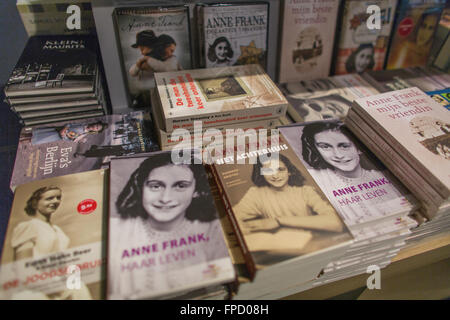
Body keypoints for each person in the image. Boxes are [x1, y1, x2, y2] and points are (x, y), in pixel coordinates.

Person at [108, 153, 230, 299]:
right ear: (141, 187)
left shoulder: (213, 231)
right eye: (155, 186)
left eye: (180, 186)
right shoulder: (117, 231)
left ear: (196, 191)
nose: (165, 198)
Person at [300, 121, 411, 226]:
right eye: (325, 147)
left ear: (359, 148)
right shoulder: (314, 178)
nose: (338, 155)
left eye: (344, 146)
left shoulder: (387, 178)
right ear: (316, 150)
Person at [233, 154, 344, 239]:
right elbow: (234, 219)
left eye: (280, 169)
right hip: (278, 247)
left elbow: (335, 223)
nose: (275, 176)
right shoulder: (256, 193)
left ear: (289, 171)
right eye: (268, 171)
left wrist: (279, 221)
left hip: (311, 244)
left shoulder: (305, 192)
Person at [11, 186, 69, 260]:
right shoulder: (28, 227)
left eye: (58, 197)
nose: (56, 201)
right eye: (49, 198)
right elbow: (22, 265)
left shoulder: (58, 230)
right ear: (35, 203)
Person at [31, 121, 108, 145]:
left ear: (96, 131)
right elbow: (70, 124)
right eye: (97, 125)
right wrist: (64, 129)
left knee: (37, 139)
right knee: (34, 133)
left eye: (97, 128)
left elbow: (71, 139)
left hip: (58, 136)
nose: (95, 127)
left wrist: (63, 135)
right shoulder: (84, 124)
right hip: (58, 129)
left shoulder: (83, 135)